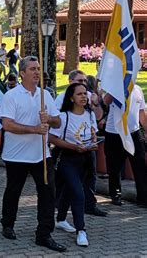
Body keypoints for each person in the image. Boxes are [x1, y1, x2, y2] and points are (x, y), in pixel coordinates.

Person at [0, 56, 66, 252]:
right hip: (16, 155)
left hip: (41, 154)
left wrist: (49, 119)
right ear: (22, 73)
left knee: (48, 193)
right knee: (13, 191)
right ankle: (8, 224)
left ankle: (44, 233)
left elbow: (58, 122)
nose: (37, 72)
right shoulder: (11, 96)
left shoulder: (45, 95)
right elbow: (7, 125)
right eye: (32, 69)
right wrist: (34, 129)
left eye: (38, 69)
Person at [49, 83, 98, 247]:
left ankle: (61, 219)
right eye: (79, 94)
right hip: (68, 158)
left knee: (70, 191)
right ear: (71, 98)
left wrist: (93, 143)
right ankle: (81, 230)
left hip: (85, 158)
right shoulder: (64, 117)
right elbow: (52, 138)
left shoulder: (90, 114)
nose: (84, 97)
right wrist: (72, 146)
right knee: (78, 193)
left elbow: (92, 134)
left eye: (85, 94)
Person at [54, 69, 106, 217]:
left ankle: (89, 205)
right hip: (68, 147)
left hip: (88, 145)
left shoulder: (88, 96)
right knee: (65, 180)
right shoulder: (61, 98)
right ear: (70, 82)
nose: (83, 84)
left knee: (91, 176)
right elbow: (58, 123)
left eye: (84, 81)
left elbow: (97, 118)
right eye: (79, 81)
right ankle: (60, 206)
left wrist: (95, 104)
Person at [104, 84, 147, 207]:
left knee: (139, 165)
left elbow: (142, 112)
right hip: (114, 132)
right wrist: (116, 86)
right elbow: (105, 101)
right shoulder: (113, 87)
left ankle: (143, 198)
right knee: (114, 167)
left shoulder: (138, 89)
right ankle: (116, 195)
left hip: (134, 132)